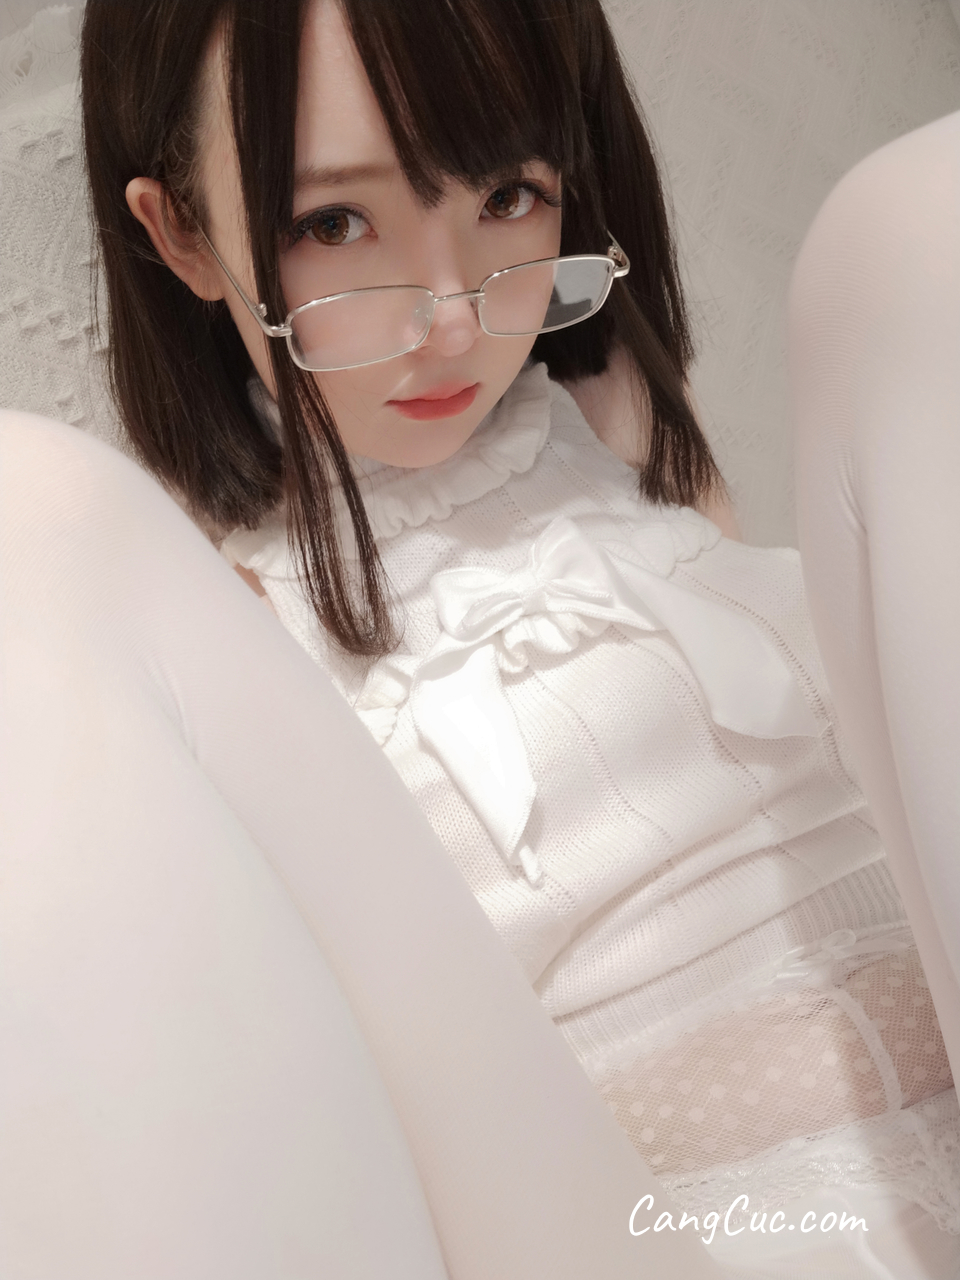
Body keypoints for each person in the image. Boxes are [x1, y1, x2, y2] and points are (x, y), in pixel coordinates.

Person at [9, 0, 951, 1272]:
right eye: (333, 223)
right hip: (645, 1218)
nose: (453, 316)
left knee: (923, 214)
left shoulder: (618, 417)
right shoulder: (207, 627)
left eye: (508, 195)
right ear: (180, 231)